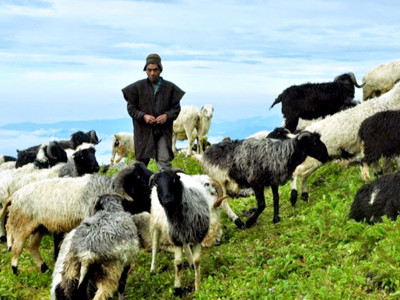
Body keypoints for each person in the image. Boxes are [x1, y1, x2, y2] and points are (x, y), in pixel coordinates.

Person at [122, 54, 185, 170]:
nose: (152, 73)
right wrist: (143, 116)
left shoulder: (169, 88)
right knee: (141, 164)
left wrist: (167, 116)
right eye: (149, 70)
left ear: (160, 70)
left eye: (155, 70)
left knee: (164, 162)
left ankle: (164, 186)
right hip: (143, 132)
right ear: (145, 70)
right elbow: (131, 108)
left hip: (163, 131)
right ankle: (141, 187)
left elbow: (176, 109)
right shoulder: (137, 87)